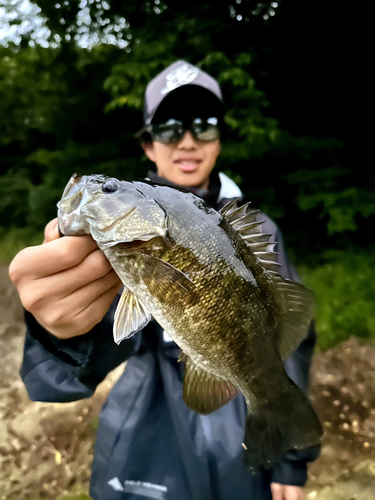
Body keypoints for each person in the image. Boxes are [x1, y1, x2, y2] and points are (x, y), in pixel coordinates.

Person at [9, 60, 320, 500]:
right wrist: (59, 336)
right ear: (149, 145)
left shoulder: (260, 231)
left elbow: (294, 344)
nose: (187, 141)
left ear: (219, 138)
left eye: (204, 125)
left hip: (242, 464)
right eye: (170, 127)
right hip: (146, 450)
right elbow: (56, 380)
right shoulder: (114, 245)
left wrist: (290, 466)